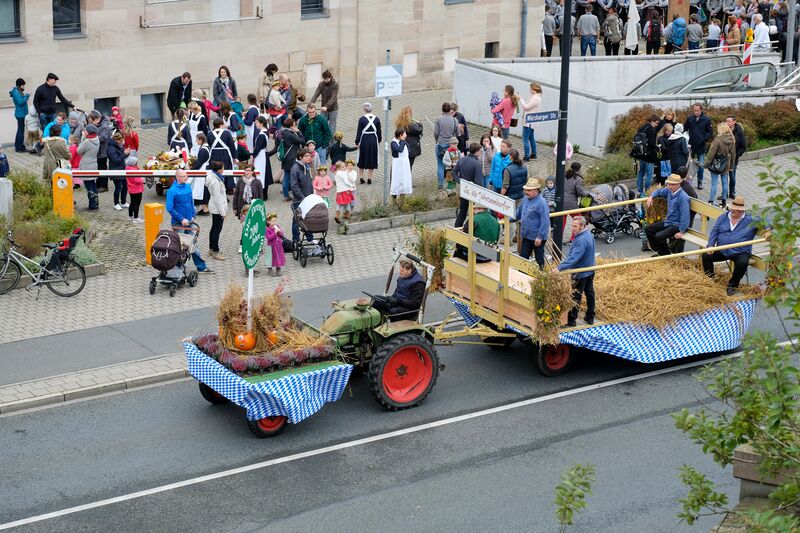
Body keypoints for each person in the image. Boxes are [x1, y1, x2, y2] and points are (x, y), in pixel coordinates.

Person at [702, 196, 759, 295]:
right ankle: (710, 280)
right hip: (722, 249)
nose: (732, 211)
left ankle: (733, 285)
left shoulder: (751, 219)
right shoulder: (723, 217)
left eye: (736, 210)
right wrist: (710, 245)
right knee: (706, 255)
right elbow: (714, 231)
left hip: (740, 251)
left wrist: (768, 230)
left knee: (742, 263)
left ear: (742, 211)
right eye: (732, 208)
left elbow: (767, 222)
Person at [166, 169, 213, 273]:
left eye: (186, 176)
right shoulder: (172, 191)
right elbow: (169, 208)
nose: (186, 178)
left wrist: (193, 214)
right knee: (180, 246)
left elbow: (191, 202)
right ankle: (178, 268)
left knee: (193, 245)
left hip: (189, 222)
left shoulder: (187, 187)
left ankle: (201, 267)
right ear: (178, 178)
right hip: (179, 224)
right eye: (184, 176)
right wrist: (181, 219)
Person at [557, 216, 596, 326]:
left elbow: (573, 258)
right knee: (590, 293)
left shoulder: (581, 240)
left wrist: (559, 268)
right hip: (590, 268)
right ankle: (590, 316)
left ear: (582, 226)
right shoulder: (588, 234)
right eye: (572, 225)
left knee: (575, 295)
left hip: (580, 272)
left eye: (575, 226)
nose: (572, 228)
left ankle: (572, 319)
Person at [645, 174, 691, 256]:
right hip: (669, 222)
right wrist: (651, 197)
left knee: (659, 236)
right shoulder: (669, 191)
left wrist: (681, 231)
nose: (669, 186)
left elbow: (685, 216)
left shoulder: (683, 197)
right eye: (669, 184)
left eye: (672, 184)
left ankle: (666, 254)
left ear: (678, 184)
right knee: (648, 229)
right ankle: (659, 250)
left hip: (676, 225)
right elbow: (659, 191)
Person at [516, 178, 551, 268]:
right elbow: (518, 213)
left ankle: (542, 275)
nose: (526, 192)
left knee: (539, 259)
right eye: (526, 190)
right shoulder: (525, 199)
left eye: (529, 190)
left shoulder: (542, 203)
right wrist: (508, 217)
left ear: (536, 190)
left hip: (537, 237)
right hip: (526, 235)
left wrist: (540, 237)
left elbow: (545, 221)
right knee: (523, 259)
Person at [232, 165, 264, 254]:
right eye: (246, 170)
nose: (247, 172)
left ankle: (257, 246)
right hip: (243, 210)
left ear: (253, 172)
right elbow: (236, 195)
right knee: (245, 228)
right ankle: (242, 245)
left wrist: (260, 207)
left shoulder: (257, 182)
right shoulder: (240, 182)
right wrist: (235, 207)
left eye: (249, 170)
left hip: (254, 209)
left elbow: (261, 196)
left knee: (255, 228)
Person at [453, 142, 485, 228]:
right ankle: (471, 229)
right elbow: (479, 182)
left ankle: (457, 228)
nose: (481, 153)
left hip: (463, 190)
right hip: (473, 192)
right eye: (480, 151)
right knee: (473, 212)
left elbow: (454, 172)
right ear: (477, 152)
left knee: (462, 212)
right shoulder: (477, 164)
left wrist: (460, 181)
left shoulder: (462, 159)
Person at [704, 122, 736, 207]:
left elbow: (711, 154)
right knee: (725, 183)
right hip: (726, 164)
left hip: (716, 164)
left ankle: (711, 200)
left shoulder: (717, 140)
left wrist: (705, 164)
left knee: (714, 184)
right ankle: (724, 201)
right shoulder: (732, 139)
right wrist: (731, 167)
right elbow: (733, 154)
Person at [684, 103, 713, 191]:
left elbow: (710, 132)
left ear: (701, 110)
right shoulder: (690, 118)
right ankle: (689, 181)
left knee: (700, 164)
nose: (696, 112)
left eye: (697, 110)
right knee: (690, 164)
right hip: (692, 145)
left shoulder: (706, 119)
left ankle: (700, 181)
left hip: (701, 145)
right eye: (694, 110)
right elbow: (685, 128)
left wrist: (704, 139)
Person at [290, 147, 315, 243]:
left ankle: (310, 238)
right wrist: (302, 198)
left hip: (308, 198)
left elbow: (308, 183)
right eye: (306, 156)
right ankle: (296, 240)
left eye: (310, 156)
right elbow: (294, 186)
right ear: (300, 157)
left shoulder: (306, 166)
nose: (309, 158)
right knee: (296, 221)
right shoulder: (295, 169)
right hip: (299, 200)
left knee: (308, 218)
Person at [205, 161, 228, 260]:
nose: (223, 170)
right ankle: (216, 251)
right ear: (219, 170)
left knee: (214, 228)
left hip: (215, 207)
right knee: (217, 230)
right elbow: (218, 199)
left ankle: (211, 249)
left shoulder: (214, 177)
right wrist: (223, 212)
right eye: (222, 169)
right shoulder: (216, 182)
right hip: (217, 208)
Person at [278, 117, 305, 201]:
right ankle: (296, 194)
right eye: (294, 125)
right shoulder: (290, 135)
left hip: (285, 158)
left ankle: (286, 195)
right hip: (292, 158)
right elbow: (302, 141)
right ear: (291, 126)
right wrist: (299, 132)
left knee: (286, 176)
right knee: (293, 177)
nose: (295, 126)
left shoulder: (281, 133)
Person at [633, 114, 660, 196]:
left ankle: (639, 191)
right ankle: (647, 192)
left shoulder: (642, 127)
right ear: (652, 121)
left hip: (641, 155)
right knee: (649, 174)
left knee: (641, 173)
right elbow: (651, 144)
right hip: (649, 156)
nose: (656, 125)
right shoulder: (651, 130)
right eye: (656, 123)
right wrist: (657, 148)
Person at [207, 118, 237, 193]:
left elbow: (209, 145)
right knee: (226, 169)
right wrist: (234, 157)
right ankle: (228, 188)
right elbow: (231, 145)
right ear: (221, 124)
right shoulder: (227, 133)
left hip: (214, 153)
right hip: (225, 153)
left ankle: (216, 186)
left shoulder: (210, 134)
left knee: (216, 170)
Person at [355, 102, 381, 185]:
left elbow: (359, 132)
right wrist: (379, 141)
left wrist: (357, 142)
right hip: (373, 139)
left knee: (362, 157)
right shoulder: (377, 119)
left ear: (364, 110)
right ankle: (369, 178)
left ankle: (361, 177)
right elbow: (379, 132)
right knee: (372, 157)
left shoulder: (362, 119)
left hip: (364, 139)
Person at [434, 102, 459, 189]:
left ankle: (440, 184)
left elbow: (436, 133)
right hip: (451, 147)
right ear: (450, 110)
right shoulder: (454, 120)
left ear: (442, 109)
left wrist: (437, 140)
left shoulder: (438, 120)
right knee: (452, 165)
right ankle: (451, 186)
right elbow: (457, 134)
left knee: (440, 164)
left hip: (440, 145)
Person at [252, 116, 276, 200]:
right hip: (263, 154)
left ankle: (263, 194)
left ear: (261, 123)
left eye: (257, 122)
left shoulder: (262, 134)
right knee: (263, 173)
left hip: (261, 156)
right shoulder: (265, 132)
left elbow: (258, 147)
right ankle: (263, 193)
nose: (255, 124)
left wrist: (253, 155)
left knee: (261, 174)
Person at [309, 69, 339, 134]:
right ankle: (323, 142)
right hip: (324, 109)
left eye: (327, 79)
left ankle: (331, 144)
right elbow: (316, 94)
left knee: (331, 128)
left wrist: (326, 106)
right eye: (324, 79)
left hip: (333, 109)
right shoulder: (321, 84)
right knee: (322, 126)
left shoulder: (335, 85)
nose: (326, 81)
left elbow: (333, 97)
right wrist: (312, 103)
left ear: (330, 77)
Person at [77, 124, 100, 210]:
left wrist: (83, 137)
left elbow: (79, 150)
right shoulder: (96, 139)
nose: (84, 131)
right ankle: (96, 203)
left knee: (89, 186)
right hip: (93, 164)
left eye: (86, 130)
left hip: (87, 165)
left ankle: (92, 205)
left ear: (89, 132)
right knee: (93, 185)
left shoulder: (87, 141)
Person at [564, 162, 588, 241]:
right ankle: (573, 238)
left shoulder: (564, 175)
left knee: (561, 222)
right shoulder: (578, 179)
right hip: (571, 204)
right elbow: (580, 192)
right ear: (579, 169)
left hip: (562, 203)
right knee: (579, 219)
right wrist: (587, 194)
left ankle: (558, 238)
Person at [726, 115, 747, 199]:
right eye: (726, 121)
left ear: (734, 122)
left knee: (732, 175)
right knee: (724, 176)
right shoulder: (724, 131)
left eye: (729, 121)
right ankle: (724, 193)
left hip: (734, 159)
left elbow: (743, 146)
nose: (727, 123)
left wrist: (736, 155)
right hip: (725, 158)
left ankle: (732, 192)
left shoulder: (739, 132)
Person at [107, 131, 128, 210]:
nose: (122, 142)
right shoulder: (111, 148)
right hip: (115, 170)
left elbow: (122, 154)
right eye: (121, 140)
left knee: (125, 186)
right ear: (117, 140)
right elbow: (116, 160)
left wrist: (126, 153)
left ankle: (123, 202)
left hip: (122, 169)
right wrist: (124, 154)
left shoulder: (118, 145)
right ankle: (116, 203)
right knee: (118, 187)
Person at [521, 82, 542, 161]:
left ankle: (527, 156)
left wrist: (521, 99)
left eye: (531, 88)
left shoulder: (536, 98)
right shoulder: (536, 97)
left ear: (534, 89)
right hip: (532, 122)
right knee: (531, 137)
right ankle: (534, 153)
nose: (530, 90)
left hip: (529, 122)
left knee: (525, 138)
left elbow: (526, 107)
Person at [390, 128, 413, 198]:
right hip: (398, 164)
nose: (406, 135)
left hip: (404, 163)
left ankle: (403, 195)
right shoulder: (394, 142)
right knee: (397, 179)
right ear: (400, 135)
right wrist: (402, 141)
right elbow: (399, 149)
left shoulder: (402, 141)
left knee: (404, 179)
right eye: (404, 134)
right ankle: (394, 196)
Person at [11, 78, 29, 153]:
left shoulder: (18, 91)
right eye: (23, 85)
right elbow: (20, 102)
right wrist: (27, 96)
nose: (24, 86)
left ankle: (18, 146)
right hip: (20, 114)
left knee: (20, 130)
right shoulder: (16, 92)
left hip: (21, 113)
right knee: (21, 131)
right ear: (20, 85)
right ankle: (19, 147)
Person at [125, 156, 143, 222]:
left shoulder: (128, 168)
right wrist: (142, 179)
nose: (137, 164)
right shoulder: (133, 171)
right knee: (137, 204)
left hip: (131, 189)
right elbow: (137, 180)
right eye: (136, 163)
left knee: (132, 203)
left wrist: (137, 169)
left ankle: (130, 216)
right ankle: (136, 218)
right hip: (137, 189)